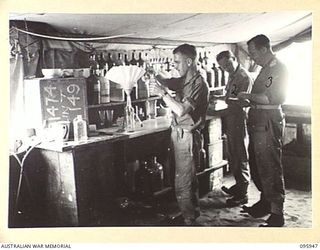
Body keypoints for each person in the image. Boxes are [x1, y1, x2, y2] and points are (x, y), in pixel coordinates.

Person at [149, 44, 209, 226]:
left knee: (184, 181)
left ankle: (189, 221)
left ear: (189, 61)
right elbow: (170, 82)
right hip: (179, 133)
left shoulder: (199, 83)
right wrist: (155, 75)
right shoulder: (185, 79)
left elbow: (181, 110)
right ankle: (189, 213)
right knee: (185, 178)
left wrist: (162, 94)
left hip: (187, 136)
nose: (174, 65)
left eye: (177, 62)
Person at [237, 34, 288, 227]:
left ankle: (277, 213)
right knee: (258, 165)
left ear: (264, 49)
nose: (252, 57)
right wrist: (250, 99)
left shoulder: (278, 69)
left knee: (270, 166)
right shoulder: (266, 69)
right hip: (258, 120)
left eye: (253, 52)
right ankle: (265, 202)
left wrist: (248, 95)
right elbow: (262, 95)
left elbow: (271, 97)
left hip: (267, 121)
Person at [216, 50, 253, 206]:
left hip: (238, 118)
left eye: (228, 64)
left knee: (240, 155)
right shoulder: (232, 75)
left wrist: (212, 111)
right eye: (223, 67)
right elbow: (230, 96)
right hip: (231, 119)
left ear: (235, 59)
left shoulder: (243, 77)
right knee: (233, 154)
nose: (226, 68)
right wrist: (217, 97)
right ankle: (239, 186)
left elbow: (240, 104)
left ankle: (243, 194)